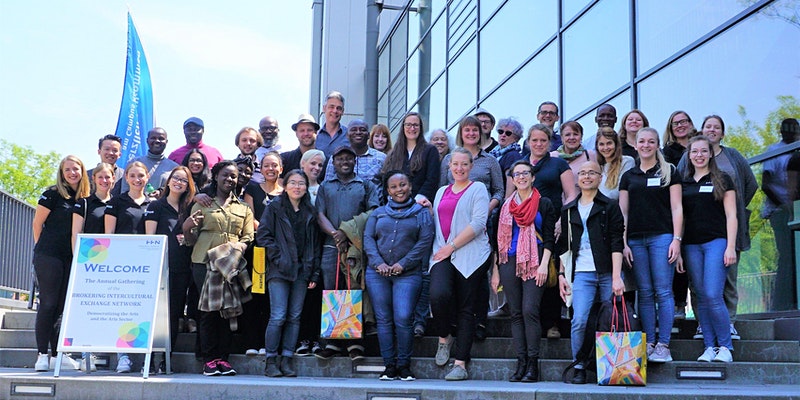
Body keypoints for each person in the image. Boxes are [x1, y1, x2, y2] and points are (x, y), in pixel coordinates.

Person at [677, 115, 757, 340]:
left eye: (716, 127)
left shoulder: (732, 157)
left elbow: (750, 184)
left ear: (722, 133)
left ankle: (728, 324)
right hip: (694, 238)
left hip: (724, 233)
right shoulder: (687, 164)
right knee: (700, 287)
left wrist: (731, 206)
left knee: (727, 280)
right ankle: (705, 326)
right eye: (708, 126)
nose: (712, 130)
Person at [182, 160, 254, 377]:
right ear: (216, 177)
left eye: (233, 176)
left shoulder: (243, 208)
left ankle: (223, 358)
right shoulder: (203, 203)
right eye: (225, 175)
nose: (229, 179)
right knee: (207, 312)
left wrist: (235, 249)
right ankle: (209, 359)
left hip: (229, 264)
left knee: (228, 312)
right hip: (203, 263)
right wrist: (187, 228)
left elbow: (248, 237)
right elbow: (190, 240)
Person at [557, 161, 625, 384]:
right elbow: (564, 247)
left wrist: (616, 277)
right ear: (577, 179)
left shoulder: (610, 206)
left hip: (607, 271)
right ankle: (579, 365)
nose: (587, 176)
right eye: (583, 173)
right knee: (579, 320)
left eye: (592, 173)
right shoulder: (568, 210)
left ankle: (610, 364)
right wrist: (561, 275)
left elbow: (617, 243)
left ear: (600, 177)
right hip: (581, 273)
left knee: (611, 320)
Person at [619, 127, 682, 363]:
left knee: (663, 290)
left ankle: (663, 345)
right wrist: (624, 242)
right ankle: (649, 342)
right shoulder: (629, 176)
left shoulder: (669, 172)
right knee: (644, 293)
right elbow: (623, 212)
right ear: (635, 145)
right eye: (642, 141)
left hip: (662, 237)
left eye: (651, 141)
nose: (646, 145)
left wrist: (677, 239)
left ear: (657, 145)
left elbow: (677, 208)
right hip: (635, 239)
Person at [363, 171, 434, 381]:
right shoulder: (378, 212)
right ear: (387, 191)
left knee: (403, 317)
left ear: (410, 186)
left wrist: (403, 264)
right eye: (393, 187)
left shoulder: (420, 212)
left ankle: (404, 365)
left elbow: (424, 241)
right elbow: (368, 239)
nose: (399, 190)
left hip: (408, 274)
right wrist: (379, 263)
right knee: (383, 320)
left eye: (402, 185)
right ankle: (389, 366)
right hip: (378, 273)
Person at [491, 160, 556, 383]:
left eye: (525, 173)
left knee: (530, 310)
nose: (521, 177)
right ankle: (520, 363)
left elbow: (549, 237)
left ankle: (532, 364)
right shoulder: (505, 207)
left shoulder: (544, 203)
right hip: (508, 260)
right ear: (512, 178)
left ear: (533, 176)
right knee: (516, 313)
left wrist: (544, 265)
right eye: (516, 174)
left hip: (535, 260)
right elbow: (496, 241)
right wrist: (496, 270)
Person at [429, 147, 491, 381]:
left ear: (471, 166)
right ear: (449, 166)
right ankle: (444, 337)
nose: (459, 168)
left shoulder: (478, 189)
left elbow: (478, 224)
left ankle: (460, 364)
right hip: (442, 253)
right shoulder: (441, 191)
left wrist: (451, 246)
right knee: (438, 295)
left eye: (464, 164)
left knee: (467, 309)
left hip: (471, 255)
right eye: (455, 164)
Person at [440, 116, 504, 341]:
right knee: (457, 274)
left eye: (475, 130)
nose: (471, 134)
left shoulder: (490, 161)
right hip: (453, 227)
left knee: (478, 274)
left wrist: (487, 209)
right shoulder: (449, 158)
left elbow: (499, 191)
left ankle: (479, 321)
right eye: (467, 130)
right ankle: (459, 319)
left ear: (481, 133)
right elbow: (443, 190)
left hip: (482, 223)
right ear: (461, 133)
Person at [314, 146, 380, 360]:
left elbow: (373, 212)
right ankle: (333, 342)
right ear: (333, 163)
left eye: (349, 159)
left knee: (354, 290)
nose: (345, 162)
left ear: (355, 162)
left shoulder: (366, 185)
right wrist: (335, 233)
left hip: (356, 246)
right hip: (331, 245)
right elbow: (319, 214)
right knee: (332, 291)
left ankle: (355, 343)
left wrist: (346, 231)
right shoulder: (325, 186)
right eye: (340, 159)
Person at [257, 169, 321, 378]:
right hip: (279, 270)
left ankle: (287, 358)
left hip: (302, 271)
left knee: (294, 317)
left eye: (301, 183)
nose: (297, 187)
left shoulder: (310, 211)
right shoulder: (275, 206)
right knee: (278, 316)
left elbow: (315, 244)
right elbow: (263, 236)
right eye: (293, 182)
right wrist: (278, 257)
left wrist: (313, 273)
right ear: (285, 185)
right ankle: (271, 360)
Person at [32, 155, 91, 372]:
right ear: (61, 172)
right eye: (67, 170)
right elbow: (37, 224)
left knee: (61, 307)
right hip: (48, 255)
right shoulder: (52, 194)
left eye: (76, 169)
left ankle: (57, 354)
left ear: (82, 171)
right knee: (48, 304)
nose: (72, 173)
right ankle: (42, 354)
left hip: (71, 257)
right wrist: (41, 250)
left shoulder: (85, 198)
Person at [681, 136, 737, 363]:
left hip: (717, 242)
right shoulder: (684, 183)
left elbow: (732, 215)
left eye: (704, 151)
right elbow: (681, 218)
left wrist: (731, 246)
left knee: (714, 294)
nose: (699, 155)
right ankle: (709, 347)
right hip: (692, 245)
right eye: (695, 151)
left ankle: (725, 347)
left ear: (710, 154)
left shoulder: (722, 179)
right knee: (701, 297)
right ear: (689, 155)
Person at [526, 123, 577, 339]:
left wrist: (561, 221)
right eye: (534, 140)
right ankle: (533, 325)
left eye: (543, 141)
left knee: (551, 275)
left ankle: (553, 323)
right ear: (528, 142)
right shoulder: (520, 166)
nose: (538, 144)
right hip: (525, 229)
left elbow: (572, 195)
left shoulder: (558, 164)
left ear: (549, 143)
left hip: (552, 226)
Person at [144, 166, 196, 373]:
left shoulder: (189, 208)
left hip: (181, 268)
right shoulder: (156, 206)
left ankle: (166, 358)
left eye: (184, 180)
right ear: (169, 181)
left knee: (173, 314)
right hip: (159, 268)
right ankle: (149, 359)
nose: (179, 182)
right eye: (176, 178)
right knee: (154, 315)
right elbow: (149, 239)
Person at [105, 161, 153, 373]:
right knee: (123, 310)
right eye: (132, 175)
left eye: (141, 175)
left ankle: (143, 356)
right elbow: (108, 235)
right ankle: (123, 356)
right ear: (126, 178)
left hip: (144, 264)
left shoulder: (153, 204)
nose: (137, 179)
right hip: (121, 263)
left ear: (147, 178)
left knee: (142, 310)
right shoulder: (117, 202)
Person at [70, 162, 116, 372]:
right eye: (101, 178)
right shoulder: (84, 203)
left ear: (114, 179)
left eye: (108, 177)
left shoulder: (118, 203)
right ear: (94, 179)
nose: (105, 181)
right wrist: (77, 262)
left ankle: (100, 351)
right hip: (88, 263)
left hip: (111, 265)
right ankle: (82, 353)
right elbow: (76, 234)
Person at [662, 111, 697, 318]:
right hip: (677, 209)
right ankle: (679, 304)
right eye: (675, 123)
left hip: (699, 210)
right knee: (678, 258)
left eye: (684, 121)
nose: (680, 126)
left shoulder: (702, 148)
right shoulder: (667, 152)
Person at [293, 149, 327, 358]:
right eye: (312, 164)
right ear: (303, 164)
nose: (316, 168)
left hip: (321, 247)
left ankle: (315, 339)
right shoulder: (293, 189)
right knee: (300, 298)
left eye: (320, 165)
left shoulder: (323, 189)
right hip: (298, 252)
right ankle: (301, 339)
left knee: (316, 295)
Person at [763, 118, 799, 310]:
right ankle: (781, 305)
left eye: (794, 129)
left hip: (796, 209)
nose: (790, 132)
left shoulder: (797, 151)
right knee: (786, 256)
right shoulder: (774, 151)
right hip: (780, 211)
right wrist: (784, 205)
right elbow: (765, 184)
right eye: (787, 128)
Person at [382, 112, 441, 205]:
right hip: (396, 206)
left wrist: (419, 199)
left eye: (416, 125)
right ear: (403, 127)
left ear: (420, 128)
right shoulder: (393, 153)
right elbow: (386, 180)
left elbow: (432, 179)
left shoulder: (430, 150)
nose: (412, 128)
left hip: (420, 205)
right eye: (408, 125)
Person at [324, 119, 387, 186]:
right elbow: (328, 185)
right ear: (347, 135)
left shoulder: (381, 158)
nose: (358, 132)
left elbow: (388, 185)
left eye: (362, 130)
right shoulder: (336, 157)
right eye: (354, 130)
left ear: (368, 135)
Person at [120, 127, 179, 194]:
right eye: (153, 138)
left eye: (161, 138)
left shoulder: (174, 168)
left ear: (166, 142)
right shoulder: (134, 163)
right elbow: (125, 189)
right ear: (147, 140)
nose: (157, 141)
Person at [595, 127, 635, 200]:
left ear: (616, 144)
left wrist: (599, 202)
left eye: (609, 143)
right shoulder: (596, 165)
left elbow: (619, 190)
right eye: (601, 144)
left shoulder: (627, 161)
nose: (605, 148)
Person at [245, 151, 284, 225]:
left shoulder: (286, 193)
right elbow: (250, 217)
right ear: (261, 170)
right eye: (266, 166)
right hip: (259, 234)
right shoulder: (252, 189)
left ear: (281, 170)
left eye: (274, 165)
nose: (270, 168)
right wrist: (265, 232)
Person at [316, 91, 349, 156]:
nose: (335, 111)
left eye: (338, 108)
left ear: (342, 112)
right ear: (324, 108)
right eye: (331, 107)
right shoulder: (316, 136)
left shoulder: (349, 136)